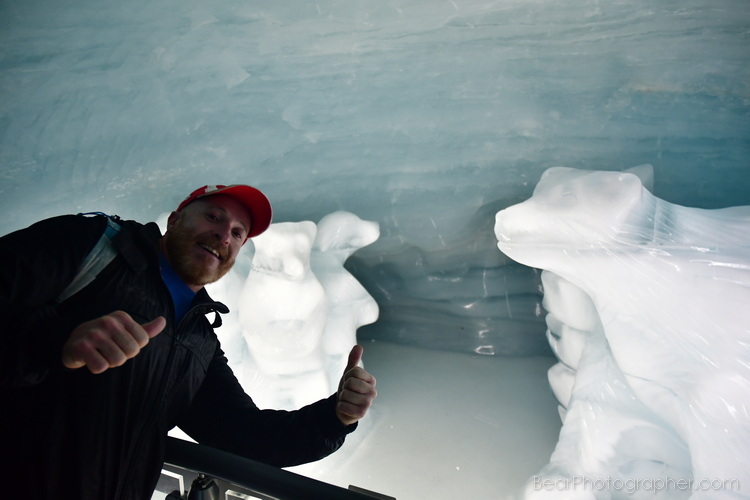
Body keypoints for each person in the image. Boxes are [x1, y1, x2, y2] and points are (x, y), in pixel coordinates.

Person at [0, 184, 377, 499]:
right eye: (213, 217)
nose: (223, 234)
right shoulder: (91, 248)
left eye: (238, 233)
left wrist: (334, 418)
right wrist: (55, 341)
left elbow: (244, 436)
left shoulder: (198, 340)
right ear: (175, 219)